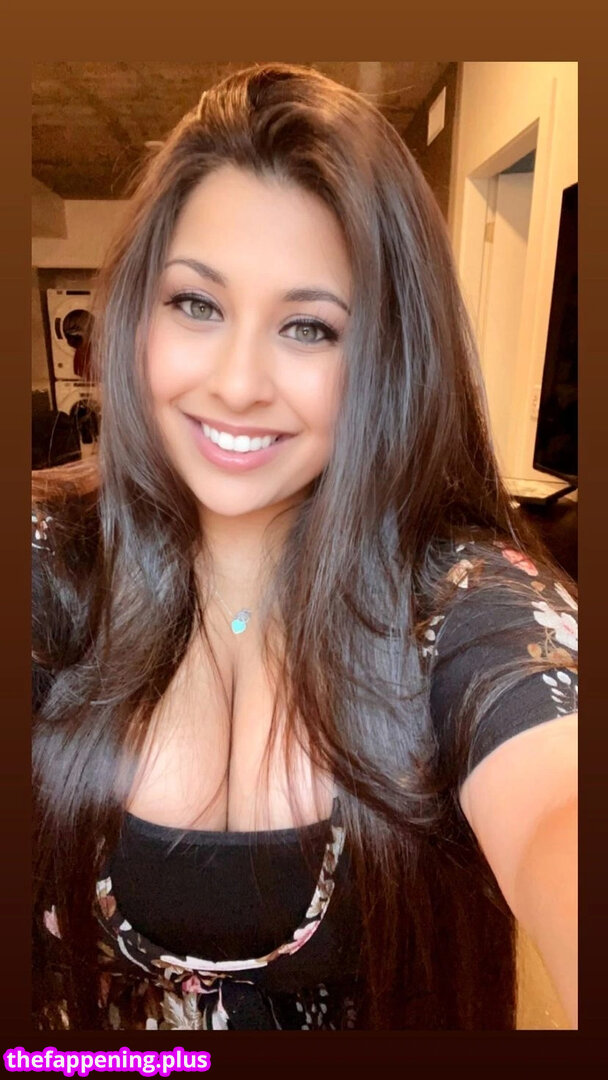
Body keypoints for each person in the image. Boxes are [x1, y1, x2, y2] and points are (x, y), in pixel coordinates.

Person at [32, 63, 578, 1031]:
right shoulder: (49, 558)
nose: (239, 382)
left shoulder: (459, 599)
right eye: (197, 305)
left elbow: (556, 804)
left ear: (386, 356)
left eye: (308, 327)